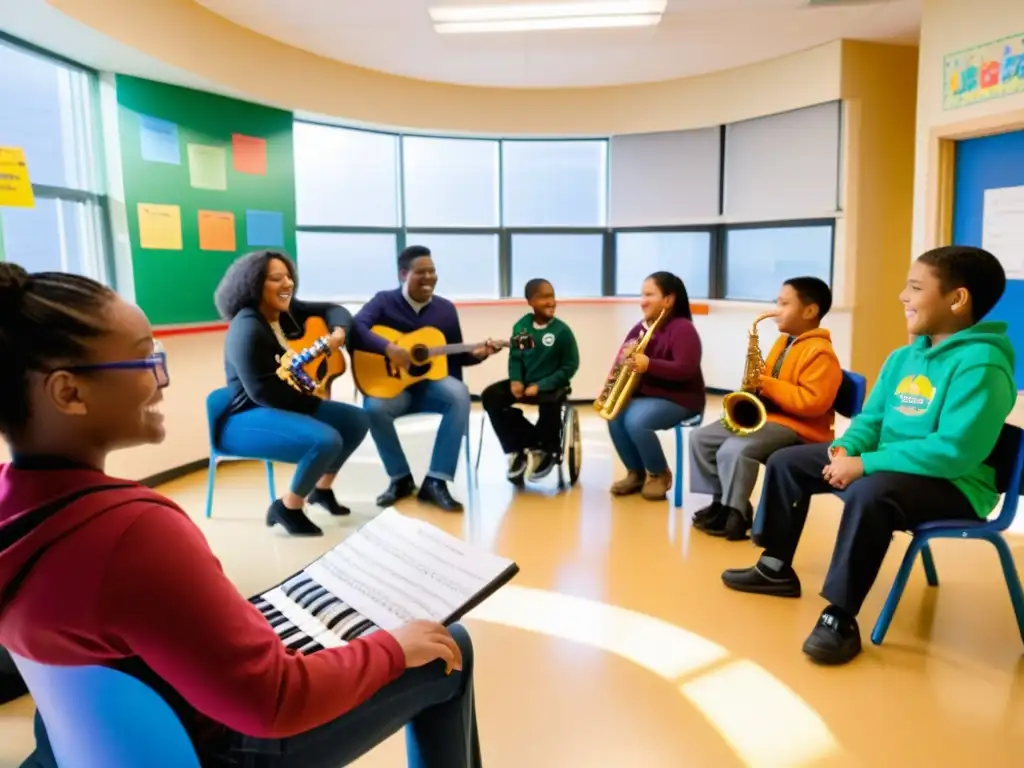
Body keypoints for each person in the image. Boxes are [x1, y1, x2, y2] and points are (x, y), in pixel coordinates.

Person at [0, 263, 482, 768]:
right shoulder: (133, 532)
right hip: (215, 743)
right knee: (450, 647)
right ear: (68, 393)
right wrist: (392, 648)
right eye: (145, 362)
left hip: (95, 743)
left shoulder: (18, 507)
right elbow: (276, 700)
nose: (162, 381)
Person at [722, 246, 1015, 666]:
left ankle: (839, 617)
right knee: (789, 461)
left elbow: (954, 452)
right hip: (895, 464)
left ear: (957, 299)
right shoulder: (904, 356)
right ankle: (774, 567)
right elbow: (871, 420)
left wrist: (864, 464)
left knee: (871, 491)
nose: (902, 296)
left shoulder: (982, 364)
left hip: (957, 484)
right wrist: (847, 448)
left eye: (915, 288)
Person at [215, 250, 370, 537]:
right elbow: (263, 392)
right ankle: (288, 507)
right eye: (276, 279)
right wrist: (313, 403)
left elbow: (335, 310)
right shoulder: (247, 328)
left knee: (357, 421)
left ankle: (321, 491)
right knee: (327, 438)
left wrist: (338, 333)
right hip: (247, 415)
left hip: (282, 401)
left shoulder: (283, 313)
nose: (287, 284)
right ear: (253, 285)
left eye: (289, 277)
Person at [690, 277, 842, 540]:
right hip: (773, 418)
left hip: (801, 429)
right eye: (777, 302)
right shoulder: (784, 342)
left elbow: (813, 403)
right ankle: (721, 501)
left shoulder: (820, 353)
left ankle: (737, 512)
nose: (776, 309)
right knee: (700, 438)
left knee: (736, 448)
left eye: (784, 303)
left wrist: (767, 385)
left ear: (809, 311)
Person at [352, 245, 497, 513]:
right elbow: (355, 329)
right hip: (395, 388)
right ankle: (400, 479)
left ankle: (436, 480)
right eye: (422, 272)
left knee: (458, 393)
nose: (429, 277)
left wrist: (479, 355)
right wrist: (389, 349)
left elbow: (453, 355)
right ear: (403, 274)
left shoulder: (445, 309)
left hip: (430, 388)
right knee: (372, 408)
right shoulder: (383, 301)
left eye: (433, 271)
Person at [608, 271, 705, 501]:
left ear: (669, 300)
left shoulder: (683, 329)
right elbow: (621, 364)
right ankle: (636, 472)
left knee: (636, 421)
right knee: (614, 415)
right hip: (647, 397)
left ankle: (659, 473)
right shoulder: (639, 328)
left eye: (649, 294)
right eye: (642, 294)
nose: (642, 301)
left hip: (680, 399)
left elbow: (685, 369)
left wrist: (649, 365)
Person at [481, 278, 579, 483]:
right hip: (525, 383)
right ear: (530, 302)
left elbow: (569, 366)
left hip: (552, 385)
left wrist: (542, 385)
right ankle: (519, 449)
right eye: (544, 297)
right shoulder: (522, 327)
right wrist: (516, 380)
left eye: (552, 296)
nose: (551, 301)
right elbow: (516, 355)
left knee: (551, 402)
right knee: (491, 396)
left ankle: (547, 450)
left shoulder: (562, 332)